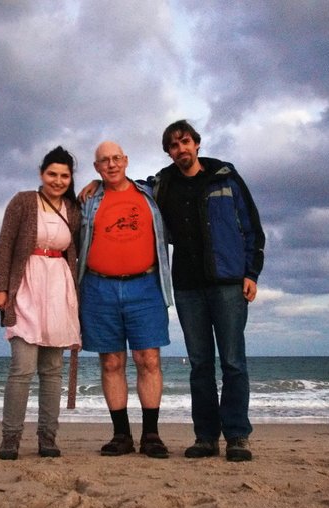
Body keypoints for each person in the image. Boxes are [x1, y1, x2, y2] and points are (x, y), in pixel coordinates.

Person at [152, 120, 264, 462]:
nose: (180, 149)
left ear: (197, 144)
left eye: (185, 142)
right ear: (169, 152)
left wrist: (251, 272)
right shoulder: (162, 185)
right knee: (200, 365)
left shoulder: (226, 177)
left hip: (228, 284)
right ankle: (205, 437)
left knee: (233, 362)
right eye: (173, 145)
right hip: (187, 287)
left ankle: (237, 437)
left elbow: (252, 227)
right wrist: (98, 182)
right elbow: (129, 192)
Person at [78, 141, 174, 459]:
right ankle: (121, 436)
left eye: (116, 158)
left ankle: (151, 435)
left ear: (127, 160)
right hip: (98, 288)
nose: (111, 164)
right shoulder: (88, 200)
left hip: (146, 286)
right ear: (96, 168)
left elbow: (184, 172)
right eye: (104, 161)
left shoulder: (151, 193)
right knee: (111, 362)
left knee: (148, 360)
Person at [0, 146, 81, 460]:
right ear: (41, 174)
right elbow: (4, 244)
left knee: (53, 369)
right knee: (21, 368)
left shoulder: (73, 209)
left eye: (64, 176)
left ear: (71, 179)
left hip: (59, 286)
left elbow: (79, 248)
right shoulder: (23, 201)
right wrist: (1, 289)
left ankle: (48, 439)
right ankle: (10, 439)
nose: (58, 181)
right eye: (52, 174)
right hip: (25, 285)